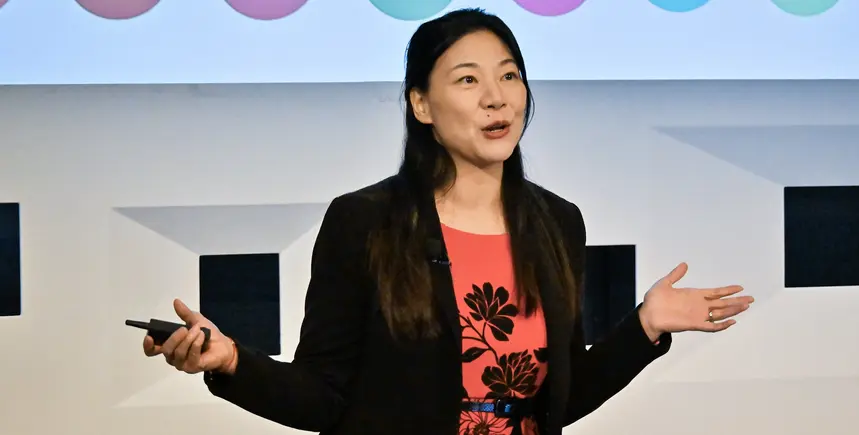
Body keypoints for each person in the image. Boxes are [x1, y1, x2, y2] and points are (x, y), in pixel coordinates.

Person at [141, 8, 753, 435]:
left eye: (509, 75)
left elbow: (554, 403)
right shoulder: (366, 222)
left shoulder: (557, 222)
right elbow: (323, 396)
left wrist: (645, 327)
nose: (498, 97)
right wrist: (229, 363)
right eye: (468, 80)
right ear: (422, 105)